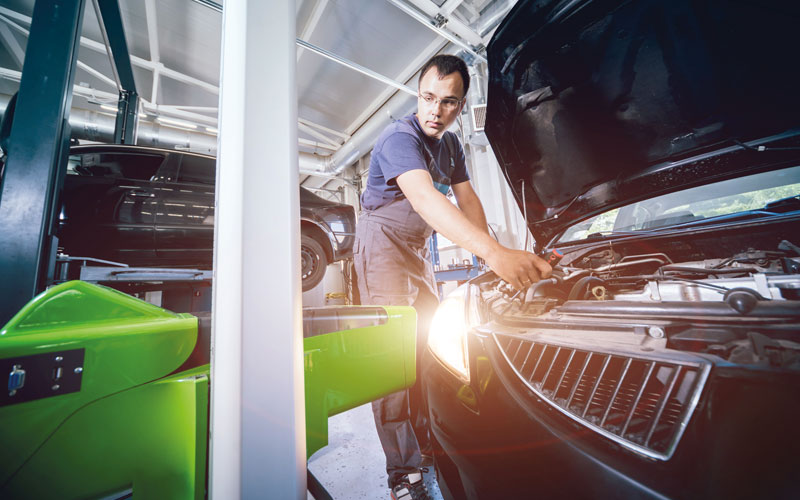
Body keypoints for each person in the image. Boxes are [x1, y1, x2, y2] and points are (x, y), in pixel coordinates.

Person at [354, 54, 551, 500]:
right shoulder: (397, 138)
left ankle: (426, 448)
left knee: (428, 348)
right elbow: (425, 199)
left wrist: (489, 257)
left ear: (460, 106)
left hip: (417, 251)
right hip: (382, 247)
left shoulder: (452, 146)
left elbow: (468, 200)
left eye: (448, 102)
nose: (435, 110)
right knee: (390, 362)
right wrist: (495, 254)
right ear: (416, 95)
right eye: (428, 98)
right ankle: (402, 475)